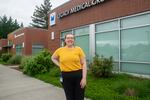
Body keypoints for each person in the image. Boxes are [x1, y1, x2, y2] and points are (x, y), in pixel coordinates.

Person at [51, 33, 87, 100]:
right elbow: (53, 58)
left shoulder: (78, 49)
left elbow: (84, 64)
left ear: (74, 40)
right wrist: (60, 65)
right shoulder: (60, 50)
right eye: (68, 38)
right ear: (65, 40)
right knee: (69, 97)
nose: (70, 39)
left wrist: (84, 78)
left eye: (72, 38)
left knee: (79, 97)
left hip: (78, 75)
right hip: (66, 76)